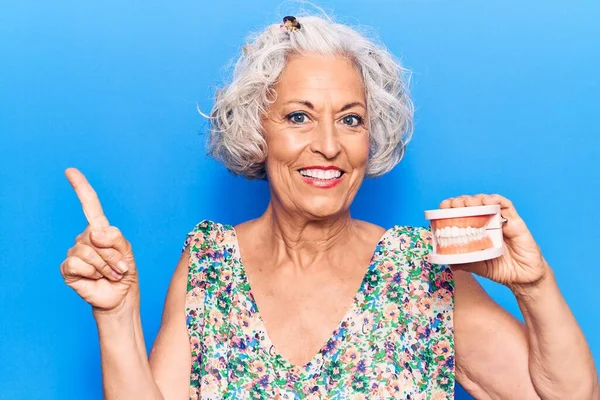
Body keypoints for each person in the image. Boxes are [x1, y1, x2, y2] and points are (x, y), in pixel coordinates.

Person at [60, 14, 599, 400]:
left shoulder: (421, 270)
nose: (329, 145)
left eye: (350, 118)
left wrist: (534, 284)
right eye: (299, 117)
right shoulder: (209, 263)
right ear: (256, 132)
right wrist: (117, 314)